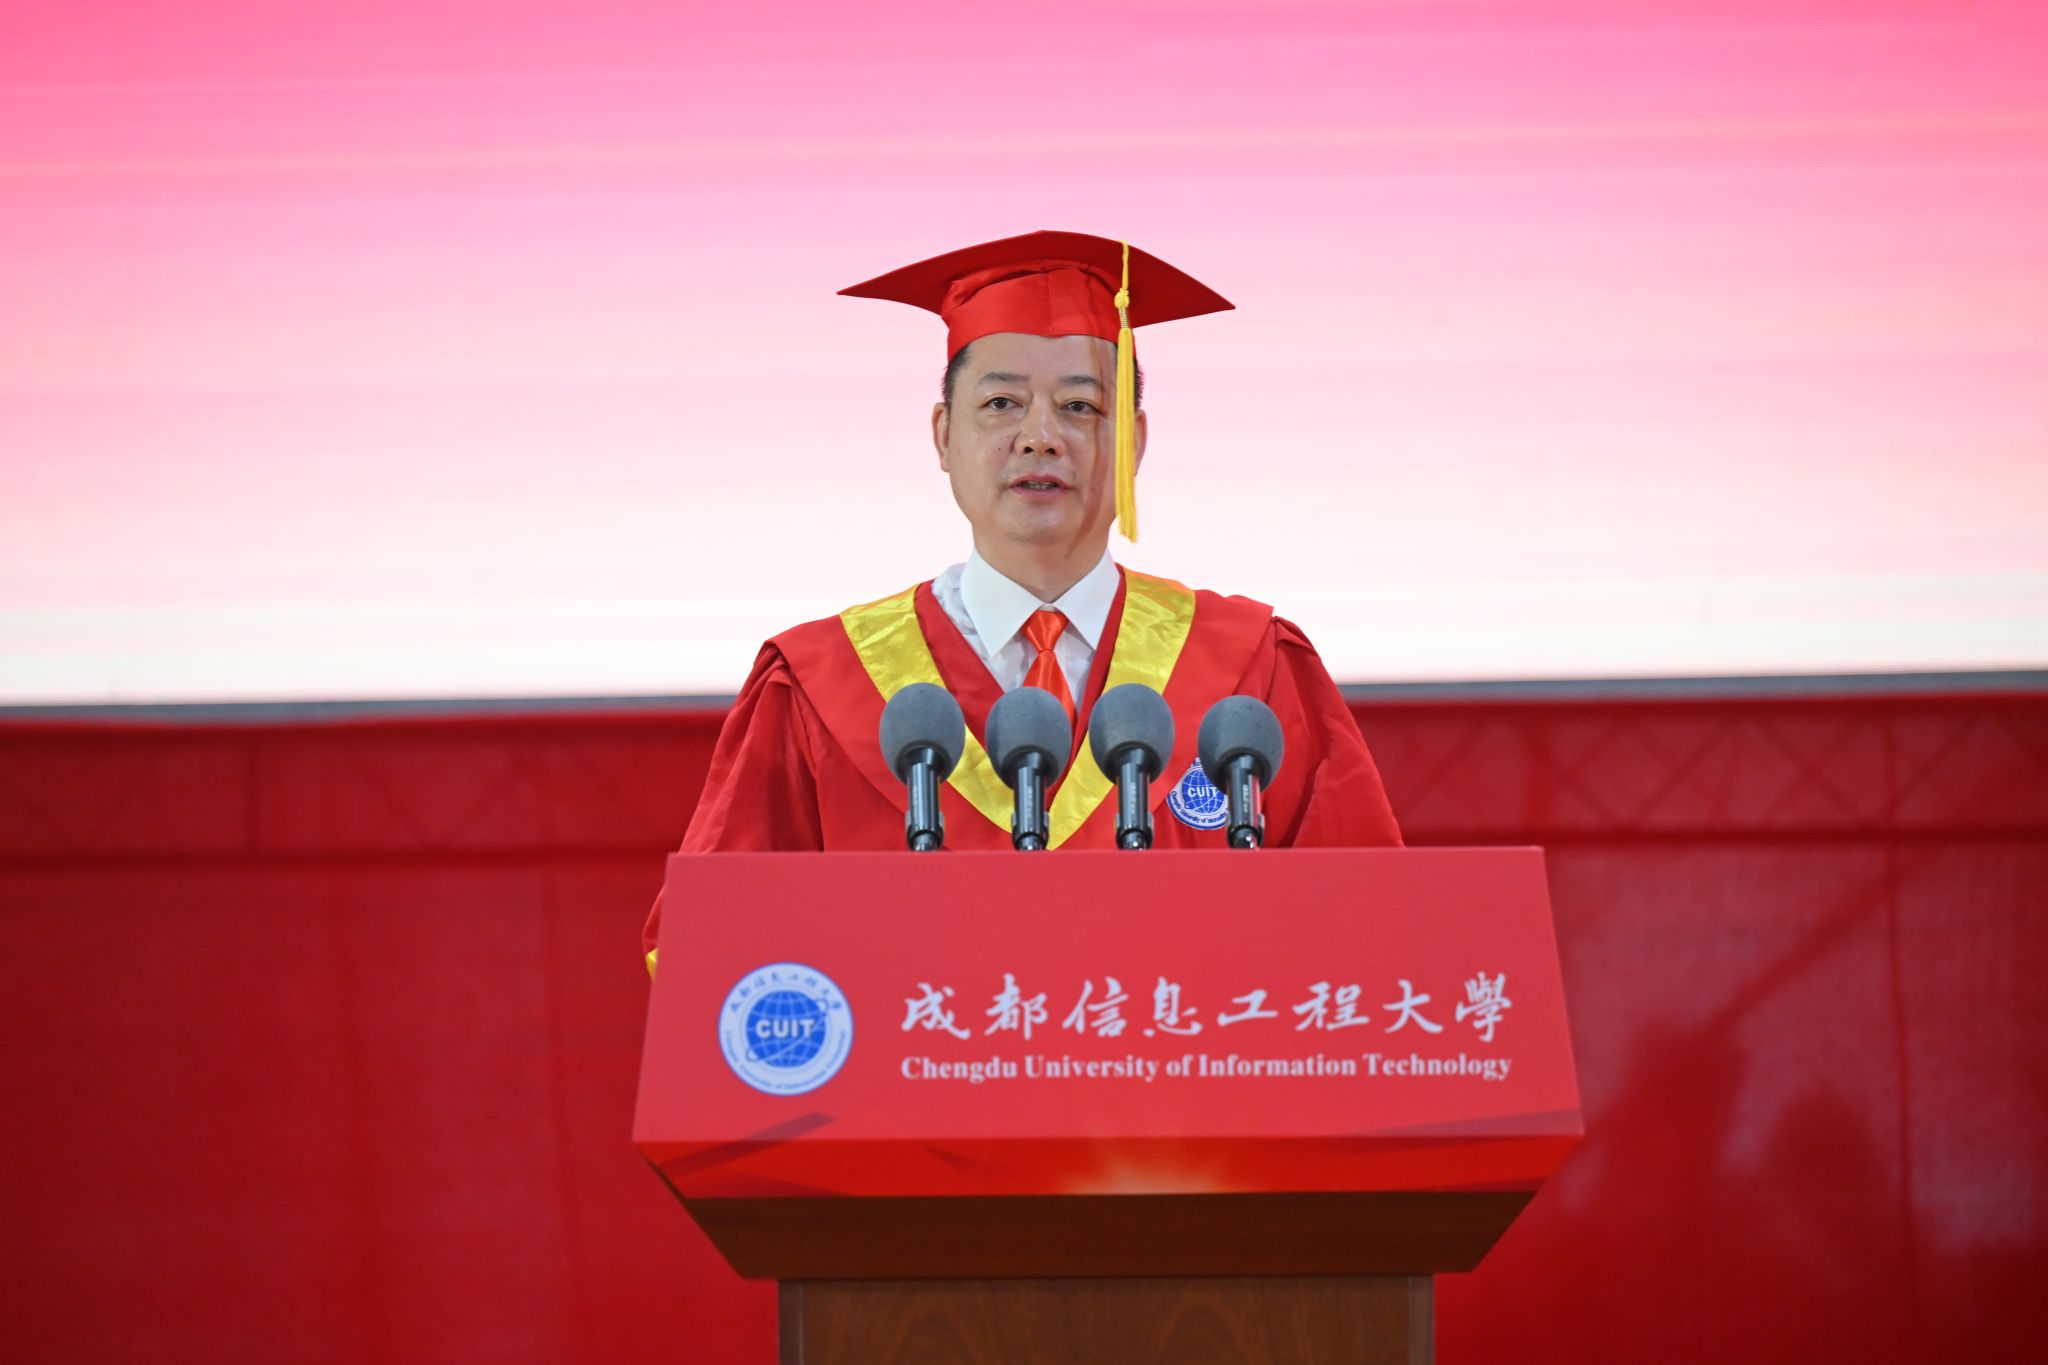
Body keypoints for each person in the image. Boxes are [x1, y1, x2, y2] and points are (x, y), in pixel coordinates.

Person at [644, 231, 1400, 973]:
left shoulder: (1249, 668)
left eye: (1080, 406)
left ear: (1134, 441)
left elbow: (1371, 931)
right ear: (943, 436)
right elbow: (708, 952)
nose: (1040, 437)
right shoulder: (820, 683)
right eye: (1002, 402)